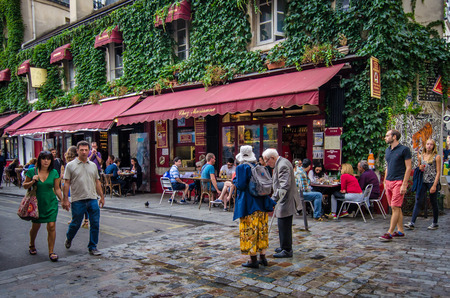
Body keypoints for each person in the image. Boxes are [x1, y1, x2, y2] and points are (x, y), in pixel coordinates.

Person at [233, 145, 276, 268]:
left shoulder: (242, 167)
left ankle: (253, 260)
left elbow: (240, 185)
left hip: (249, 205)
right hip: (261, 204)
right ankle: (263, 257)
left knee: (249, 231)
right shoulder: (259, 167)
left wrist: (234, 180)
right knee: (261, 231)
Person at [62, 140, 105, 256]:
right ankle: (69, 238)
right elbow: (66, 183)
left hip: (92, 198)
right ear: (77, 151)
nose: (84, 152)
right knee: (76, 223)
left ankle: (93, 246)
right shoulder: (70, 166)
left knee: (95, 223)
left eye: (86, 150)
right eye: (82, 150)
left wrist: (101, 196)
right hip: (78, 199)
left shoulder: (92, 166)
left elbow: (97, 182)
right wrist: (65, 199)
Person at [23, 151, 63, 262]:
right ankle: (32, 244)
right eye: (44, 158)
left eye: (48, 159)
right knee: (36, 226)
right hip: (37, 203)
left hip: (50, 202)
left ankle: (51, 251)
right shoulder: (32, 171)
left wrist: (63, 200)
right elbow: (24, 186)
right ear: (39, 160)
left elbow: (57, 188)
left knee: (51, 226)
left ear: (51, 161)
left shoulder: (54, 172)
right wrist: (32, 181)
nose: (46, 161)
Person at [263, 148, 301, 258]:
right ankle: (284, 246)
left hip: (286, 200)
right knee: (282, 224)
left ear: (273, 158)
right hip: (284, 199)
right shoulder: (282, 162)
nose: (266, 163)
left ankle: (287, 249)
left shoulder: (282, 165)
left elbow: (284, 186)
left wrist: (273, 200)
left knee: (284, 225)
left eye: (267, 161)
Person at [379, 129, 412, 241]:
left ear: (394, 137)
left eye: (387, 135)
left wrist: (404, 184)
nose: (385, 137)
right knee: (396, 208)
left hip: (399, 181)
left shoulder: (404, 150)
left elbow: (408, 168)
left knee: (395, 207)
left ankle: (390, 232)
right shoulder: (388, 150)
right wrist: (384, 181)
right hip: (389, 181)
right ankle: (401, 231)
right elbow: (388, 166)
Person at [405, 139, 441, 230]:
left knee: (433, 202)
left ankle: (435, 222)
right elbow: (419, 168)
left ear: (433, 146)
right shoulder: (421, 156)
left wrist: (434, 185)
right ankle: (412, 222)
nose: (429, 146)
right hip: (423, 181)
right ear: (425, 145)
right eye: (428, 144)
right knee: (418, 200)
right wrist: (420, 167)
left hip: (432, 181)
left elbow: (438, 172)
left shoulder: (436, 157)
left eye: (431, 144)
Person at [63, 146, 89, 228]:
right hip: (84, 184)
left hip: (76, 185)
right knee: (84, 203)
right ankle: (86, 220)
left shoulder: (71, 164)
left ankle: (76, 219)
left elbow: (67, 179)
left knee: (76, 202)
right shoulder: (81, 162)